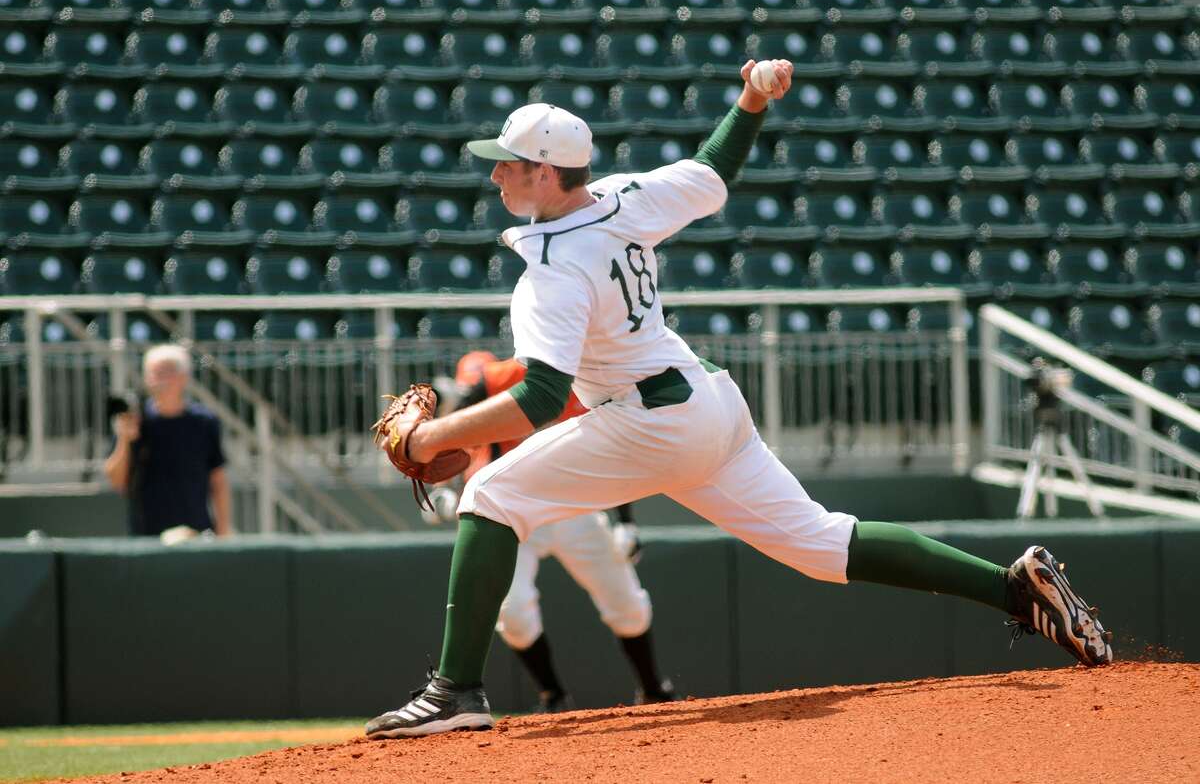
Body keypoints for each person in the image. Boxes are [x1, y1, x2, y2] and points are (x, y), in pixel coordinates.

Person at [365, 58, 1112, 739]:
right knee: (824, 543)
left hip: (654, 417)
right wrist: (752, 98)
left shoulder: (553, 269)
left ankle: (455, 690)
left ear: (546, 173)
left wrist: (431, 440)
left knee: (492, 491)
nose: (495, 177)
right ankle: (1014, 589)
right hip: (709, 401)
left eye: (508, 165)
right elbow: (714, 169)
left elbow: (542, 396)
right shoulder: (623, 197)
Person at [430, 351, 674, 712]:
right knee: (513, 616)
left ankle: (653, 688)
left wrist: (625, 519)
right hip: (515, 514)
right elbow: (458, 425)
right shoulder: (500, 377)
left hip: (577, 507)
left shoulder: (590, 377)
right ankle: (554, 697)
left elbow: (615, 450)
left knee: (627, 604)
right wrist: (443, 485)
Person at [104, 344, 232, 538]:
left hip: (194, 533)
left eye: (166, 372)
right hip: (147, 536)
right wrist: (124, 439)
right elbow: (117, 481)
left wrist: (223, 531)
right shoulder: (136, 420)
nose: (158, 379)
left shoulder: (204, 422)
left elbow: (218, 480)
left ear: (184, 377)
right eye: (153, 373)